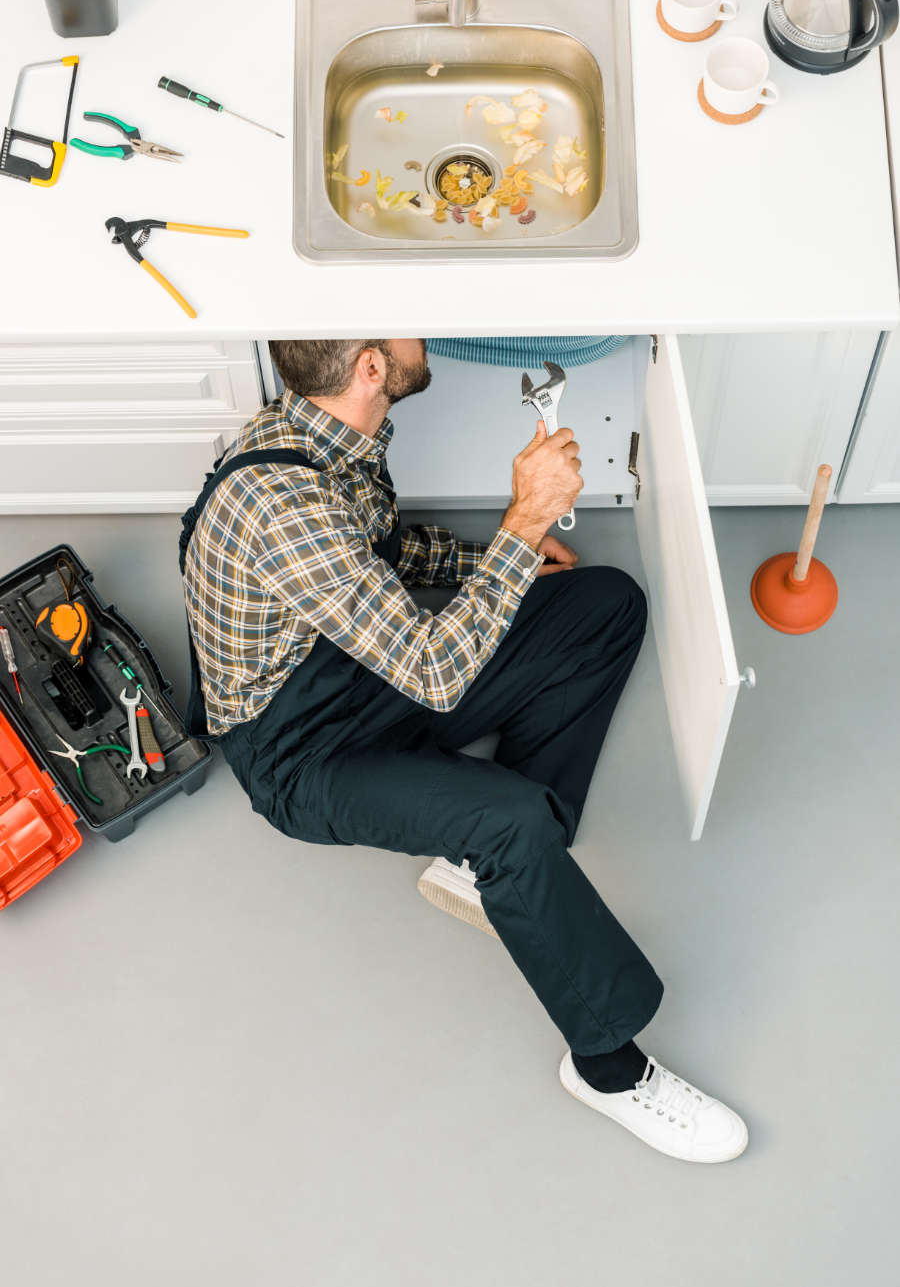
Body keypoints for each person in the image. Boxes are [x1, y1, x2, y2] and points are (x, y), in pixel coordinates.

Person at [181, 338, 748, 1163]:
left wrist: (492, 561)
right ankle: (607, 1068)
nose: (428, 330)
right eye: (406, 328)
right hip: (301, 752)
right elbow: (436, 674)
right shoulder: (279, 504)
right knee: (512, 823)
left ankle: (488, 869)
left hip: (358, 665)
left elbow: (376, 547)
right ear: (371, 368)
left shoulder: (322, 432)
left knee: (606, 606)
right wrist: (520, 525)